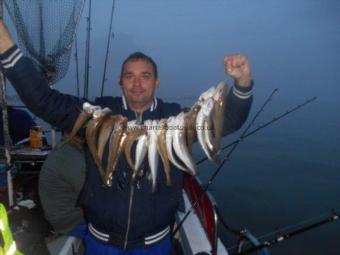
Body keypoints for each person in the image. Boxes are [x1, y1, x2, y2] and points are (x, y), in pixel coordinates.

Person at [0, 19, 253, 255]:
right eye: (129, 76)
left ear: (156, 82)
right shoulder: (97, 116)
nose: (137, 83)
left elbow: (227, 121)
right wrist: (6, 46)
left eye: (145, 76)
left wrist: (242, 83)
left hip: (154, 244)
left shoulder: (176, 120)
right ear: (120, 82)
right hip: (100, 242)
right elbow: (43, 100)